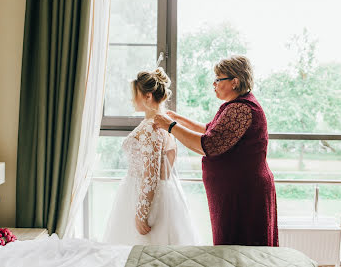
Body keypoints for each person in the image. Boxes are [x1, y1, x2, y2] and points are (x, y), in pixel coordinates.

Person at [154, 55, 278, 246]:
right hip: (236, 191)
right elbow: (210, 129)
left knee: (241, 247)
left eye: (218, 79)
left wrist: (170, 126)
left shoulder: (241, 109)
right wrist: (179, 119)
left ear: (234, 82)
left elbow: (207, 145)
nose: (214, 84)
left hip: (243, 194)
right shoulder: (234, 106)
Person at [103, 68, 198, 245]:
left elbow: (150, 175)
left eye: (135, 94)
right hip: (156, 192)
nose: (132, 99)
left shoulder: (152, 127)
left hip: (145, 196)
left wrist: (142, 214)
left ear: (148, 96)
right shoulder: (160, 123)